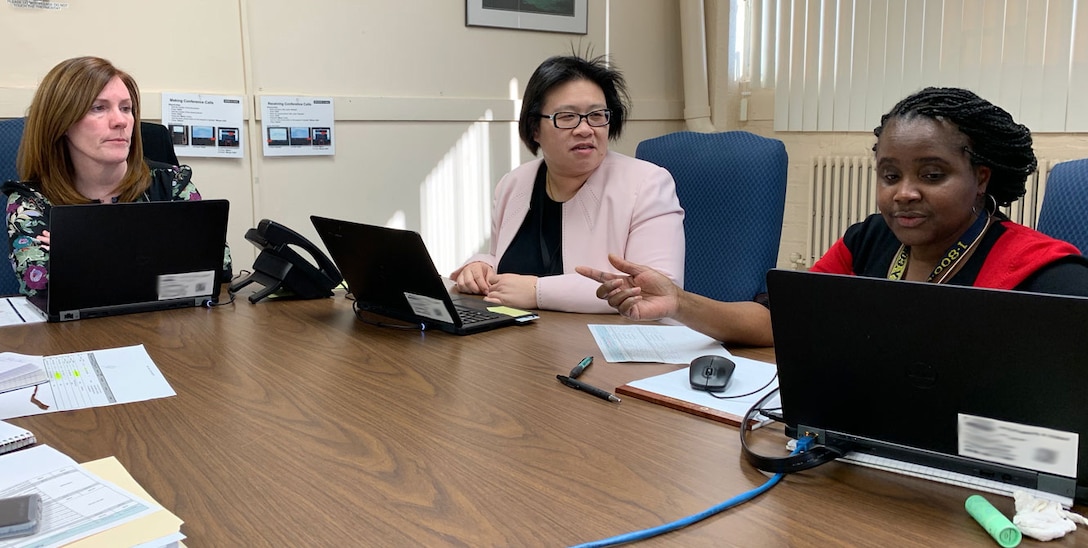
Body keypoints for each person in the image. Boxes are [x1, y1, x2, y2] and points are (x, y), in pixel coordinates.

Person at [578, 87, 1088, 345]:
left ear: (980, 178)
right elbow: (781, 322)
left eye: (931, 175)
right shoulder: (870, 239)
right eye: (890, 175)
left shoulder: (1046, 274)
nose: (904, 194)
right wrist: (677, 302)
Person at [451, 53, 684, 313]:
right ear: (535, 128)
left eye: (596, 115)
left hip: (608, 343)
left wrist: (537, 292)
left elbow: (657, 289)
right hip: (521, 339)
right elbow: (506, 262)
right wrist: (481, 266)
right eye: (567, 116)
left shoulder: (648, 184)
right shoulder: (514, 184)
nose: (585, 129)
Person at [2, 56, 232, 297]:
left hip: (168, 326)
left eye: (126, 108)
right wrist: (159, 256)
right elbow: (43, 287)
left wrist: (87, 251)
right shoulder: (31, 202)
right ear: (61, 122)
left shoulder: (171, 183)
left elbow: (217, 270)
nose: (121, 121)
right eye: (98, 108)